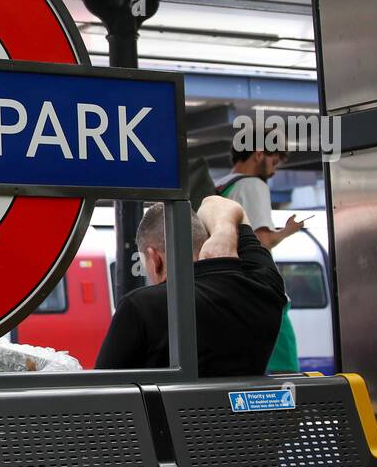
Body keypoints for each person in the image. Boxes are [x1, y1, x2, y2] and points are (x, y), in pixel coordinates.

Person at [94, 196, 287, 377]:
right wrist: (224, 232)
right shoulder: (264, 285)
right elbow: (217, 203)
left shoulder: (140, 306)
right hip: (246, 412)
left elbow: (103, 390)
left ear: (155, 258)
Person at [214, 144, 303, 372]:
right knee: (286, 379)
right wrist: (289, 230)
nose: (273, 172)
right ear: (259, 153)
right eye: (273, 163)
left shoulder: (219, 186)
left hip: (229, 293)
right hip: (261, 294)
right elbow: (261, 242)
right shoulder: (253, 185)